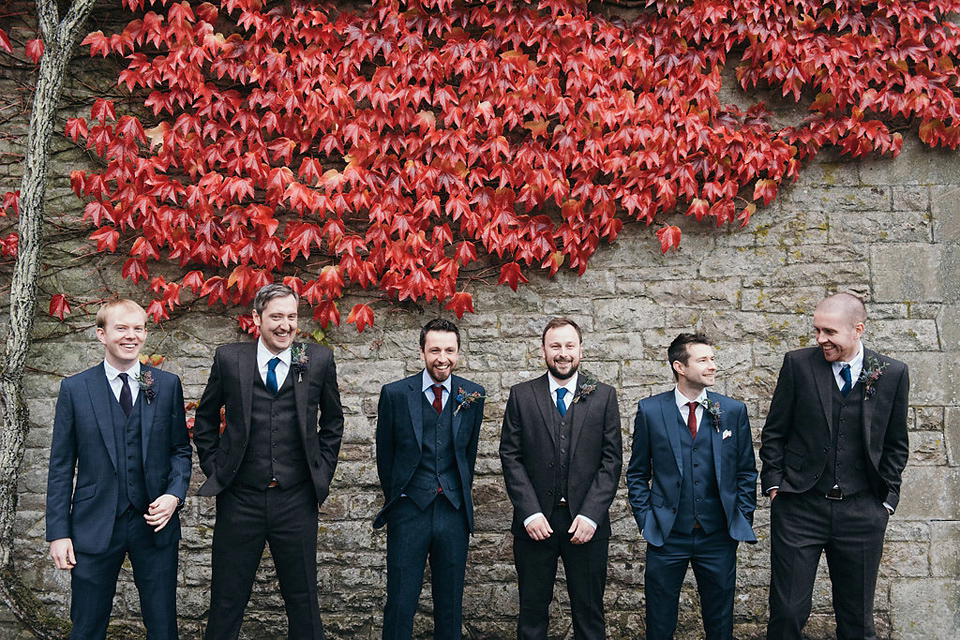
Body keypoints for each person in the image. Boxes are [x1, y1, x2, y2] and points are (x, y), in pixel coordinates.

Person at [193, 283, 344, 640]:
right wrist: (218, 469)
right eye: (276, 316)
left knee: (304, 599)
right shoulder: (229, 359)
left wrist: (320, 472)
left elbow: (333, 423)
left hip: (296, 499)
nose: (285, 325)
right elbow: (205, 420)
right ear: (256, 319)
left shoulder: (316, 358)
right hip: (239, 499)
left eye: (292, 317)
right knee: (227, 599)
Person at [759, 292, 910, 640]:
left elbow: (896, 443)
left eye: (829, 332)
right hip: (800, 506)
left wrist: (887, 500)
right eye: (816, 330)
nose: (820, 339)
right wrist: (774, 485)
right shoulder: (798, 365)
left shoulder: (891, 372)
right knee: (787, 613)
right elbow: (775, 432)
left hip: (863, 511)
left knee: (857, 618)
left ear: (857, 330)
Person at [46, 299, 192, 639]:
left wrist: (174, 495)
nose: (131, 336)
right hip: (94, 524)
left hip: (154, 526)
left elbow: (180, 450)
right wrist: (58, 532)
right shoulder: (75, 389)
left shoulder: (165, 385)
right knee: (86, 627)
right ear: (102, 334)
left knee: (162, 627)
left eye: (138, 328)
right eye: (121, 328)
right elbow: (61, 466)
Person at [626, 333, 757, 640]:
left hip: (718, 536)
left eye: (712, 359)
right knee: (659, 623)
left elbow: (746, 472)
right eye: (703, 360)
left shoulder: (732, 411)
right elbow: (637, 474)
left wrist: (741, 518)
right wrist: (646, 522)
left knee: (720, 622)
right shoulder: (651, 410)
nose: (712, 366)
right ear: (679, 367)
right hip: (667, 535)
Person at [499, 317, 622, 639]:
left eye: (569, 346)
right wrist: (530, 512)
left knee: (590, 614)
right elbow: (511, 457)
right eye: (556, 346)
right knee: (532, 613)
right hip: (535, 524)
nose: (563, 353)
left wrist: (591, 515)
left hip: (586, 523)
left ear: (580, 349)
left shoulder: (604, 396)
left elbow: (611, 461)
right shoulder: (522, 395)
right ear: (543, 350)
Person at [374, 318, 485, 640]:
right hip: (409, 510)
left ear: (458, 352)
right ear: (422, 352)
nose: (442, 358)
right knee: (400, 601)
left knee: (450, 604)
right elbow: (386, 455)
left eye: (449, 350)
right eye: (435, 350)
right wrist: (403, 497)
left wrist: (454, 490)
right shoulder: (395, 394)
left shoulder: (472, 395)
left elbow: (469, 454)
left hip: (453, 510)